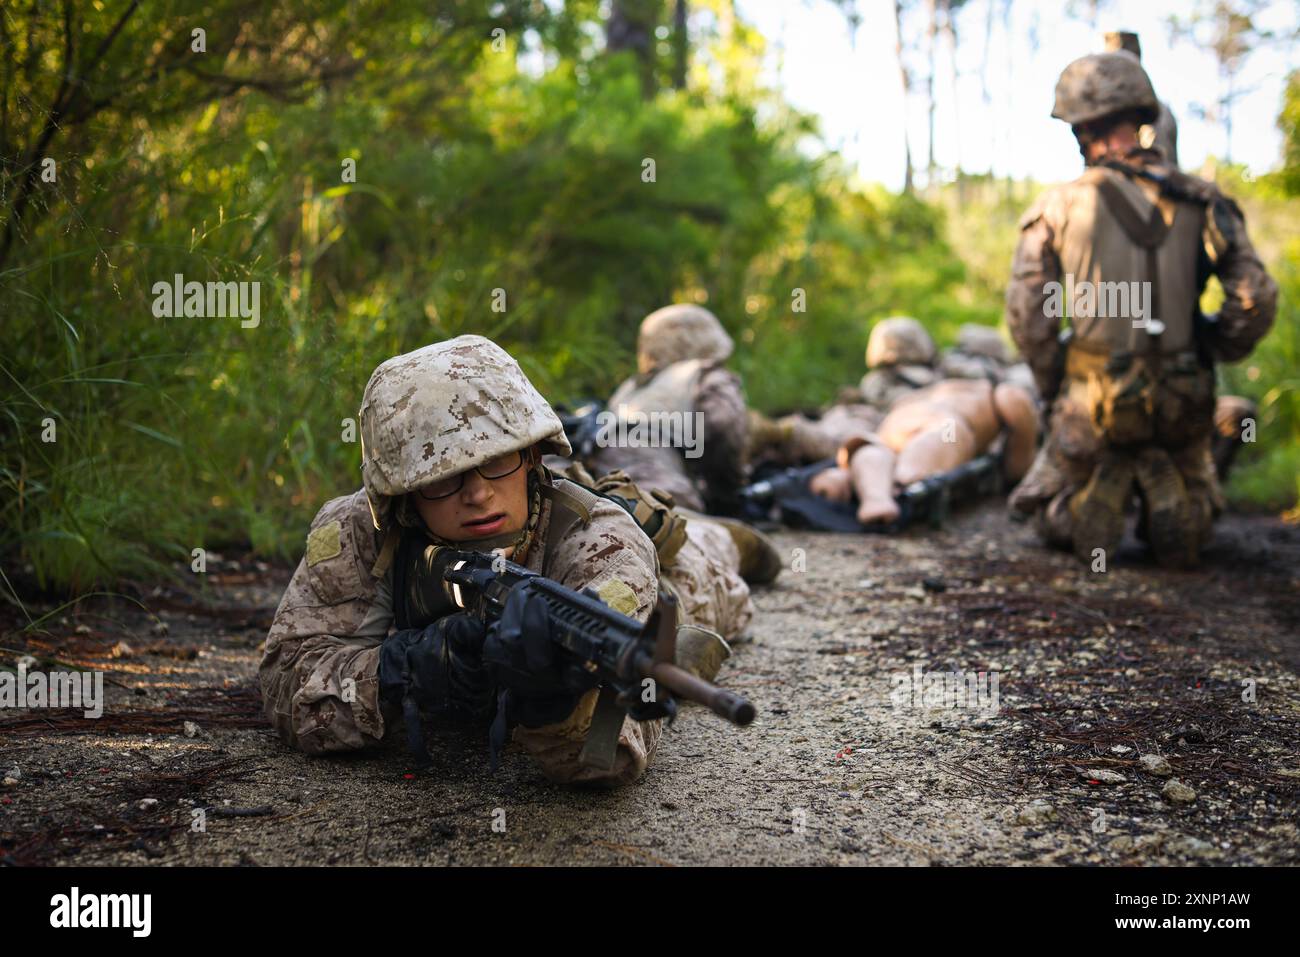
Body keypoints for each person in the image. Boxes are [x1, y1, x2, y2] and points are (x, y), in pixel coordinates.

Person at [259, 335, 754, 787]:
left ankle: (731, 534)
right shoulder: (360, 529)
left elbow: (612, 754)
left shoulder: (602, 540)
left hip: (686, 571)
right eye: (442, 477)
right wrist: (400, 669)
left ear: (534, 455)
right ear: (401, 495)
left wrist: (549, 701)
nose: (477, 494)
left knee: (709, 548)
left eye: (498, 460)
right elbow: (287, 680)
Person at [1005, 52, 1276, 567]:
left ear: (1081, 130)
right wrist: (1213, 344)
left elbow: (1029, 313)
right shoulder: (1204, 201)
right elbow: (1255, 297)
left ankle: (1083, 505)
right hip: (1183, 402)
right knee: (1201, 497)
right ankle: (1177, 512)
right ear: (1143, 117)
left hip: (1092, 406)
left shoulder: (1058, 205)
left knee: (1037, 506)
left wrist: (1052, 386)